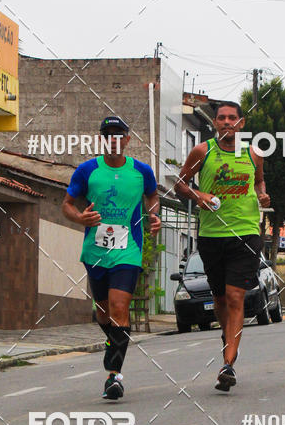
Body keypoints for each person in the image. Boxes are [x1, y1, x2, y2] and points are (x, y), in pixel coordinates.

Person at [62, 115, 160, 399]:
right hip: (95, 251)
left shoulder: (142, 171)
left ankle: (114, 375)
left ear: (128, 140)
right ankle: (113, 345)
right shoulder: (87, 170)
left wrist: (154, 216)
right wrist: (81, 218)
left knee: (119, 307)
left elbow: (153, 196)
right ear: (102, 139)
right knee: (104, 312)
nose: (114, 139)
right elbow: (67, 204)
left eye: (119, 134)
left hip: (127, 250)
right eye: (108, 134)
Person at [175, 101, 270, 390]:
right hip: (212, 235)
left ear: (241, 124)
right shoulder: (203, 152)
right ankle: (228, 338)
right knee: (218, 298)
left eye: (232, 118)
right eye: (221, 118)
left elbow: (259, 183)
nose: (227, 122)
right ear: (215, 123)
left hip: (246, 233)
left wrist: (263, 196)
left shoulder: (253, 154)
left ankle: (228, 363)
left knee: (234, 296)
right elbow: (180, 183)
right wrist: (198, 194)